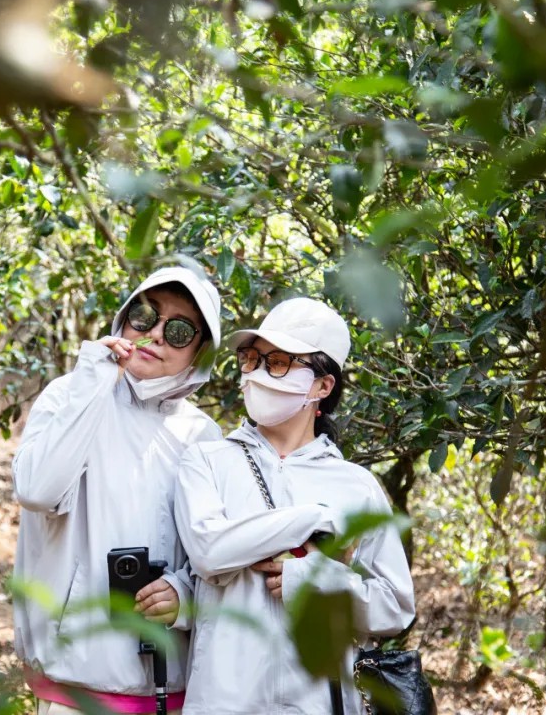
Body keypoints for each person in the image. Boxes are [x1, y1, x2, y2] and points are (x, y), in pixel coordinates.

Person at [174, 297, 415, 715]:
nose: (259, 373)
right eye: (252, 359)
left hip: (320, 703)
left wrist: (314, 579)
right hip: (224, 701)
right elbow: (209, 553)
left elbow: (394, 608)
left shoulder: (357, 486)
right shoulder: (207, 460)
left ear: (323, 386)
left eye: (280, 361)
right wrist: (314, 519)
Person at [12, 266, 223, 715]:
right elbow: (36, 490)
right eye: (146, 316)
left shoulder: (202, 435)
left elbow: (214, 556)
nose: (158, 336)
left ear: (200, 352)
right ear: (125, 319)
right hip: (75, 678)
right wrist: (93, 382)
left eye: (180, 330)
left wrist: (182, 596)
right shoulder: (69, 395)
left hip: (172, 678)